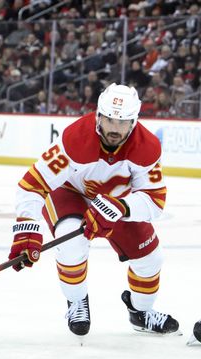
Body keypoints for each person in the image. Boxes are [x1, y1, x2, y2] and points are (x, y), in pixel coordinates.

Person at [9, 83, 179, 336]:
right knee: (70, 245)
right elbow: (32, 185)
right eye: (109, 120)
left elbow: (155, 201)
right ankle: (77, 301)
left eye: (122, 123)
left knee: (151, 257)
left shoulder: (147, 146)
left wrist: (120, 206)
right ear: (99, 115)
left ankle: (141, 311)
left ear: (134, 122)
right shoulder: (74, 139)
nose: (114, 128)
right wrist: (27, 230)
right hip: (69, 193)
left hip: (116, 203)